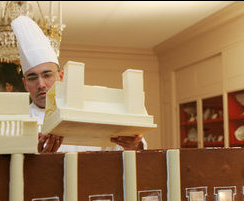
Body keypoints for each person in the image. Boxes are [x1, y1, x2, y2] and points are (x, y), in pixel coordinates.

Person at [12, 16, 145, 153]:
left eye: (47, 75)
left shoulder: (91, 107)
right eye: (32, 78)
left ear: (61, 76)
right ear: (25, 84)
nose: (41, 84)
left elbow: (125, 149)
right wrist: (37, 159)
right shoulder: (16, 123)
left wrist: (133, 145)